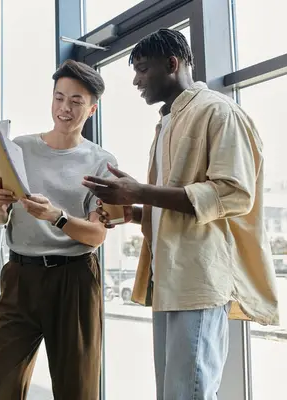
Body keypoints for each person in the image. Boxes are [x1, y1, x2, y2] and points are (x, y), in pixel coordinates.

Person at [83, 29, 280, 400]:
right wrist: (134, 212)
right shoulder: (168, 123)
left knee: (189, 392)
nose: (136, 80)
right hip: (170, 280)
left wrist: (139, 191)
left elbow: (234, 193)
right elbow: (177, 211)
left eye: (142, 69)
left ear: (172, 64)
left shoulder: (218, 111)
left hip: (199, 281)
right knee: (175, 392)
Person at [0, 60, 116, 400]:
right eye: (59, 98)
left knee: (77, 388)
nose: (65, 108)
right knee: (1, 384)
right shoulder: (20, 148)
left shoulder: (101, 162)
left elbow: (97, 236)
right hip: (20, 276)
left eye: (76, 101)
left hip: (74, 280)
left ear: (92, 109)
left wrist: (57, 216)